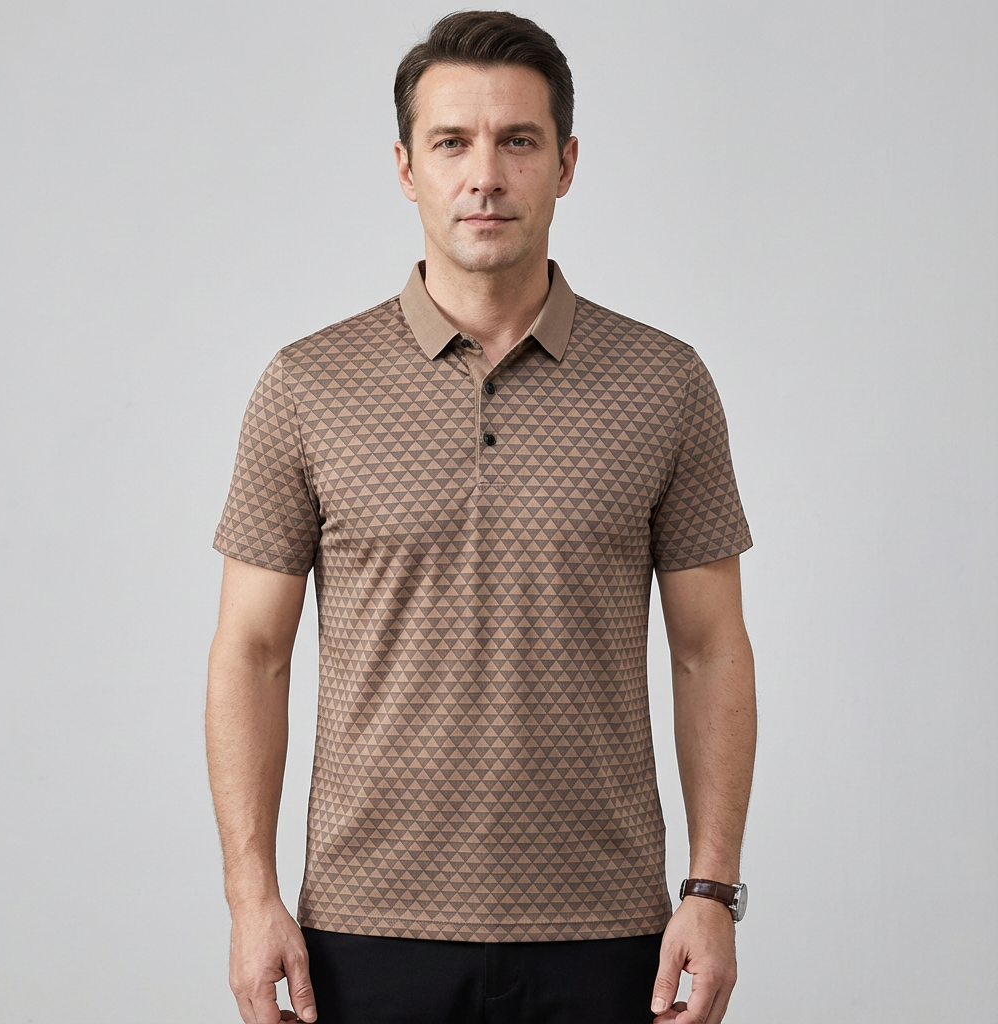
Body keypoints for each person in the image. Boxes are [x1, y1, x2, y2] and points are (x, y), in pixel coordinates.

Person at [206, 11, 756, 1024]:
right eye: (453, 142)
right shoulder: (307, 385)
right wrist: (251, 899)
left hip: (608, 932)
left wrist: (711, 890)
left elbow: (709, 649)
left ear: (567, 163)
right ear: (406, 168)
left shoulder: (665, 383)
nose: (486, 177)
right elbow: (251, 652)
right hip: (363, 932)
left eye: (519, 141)